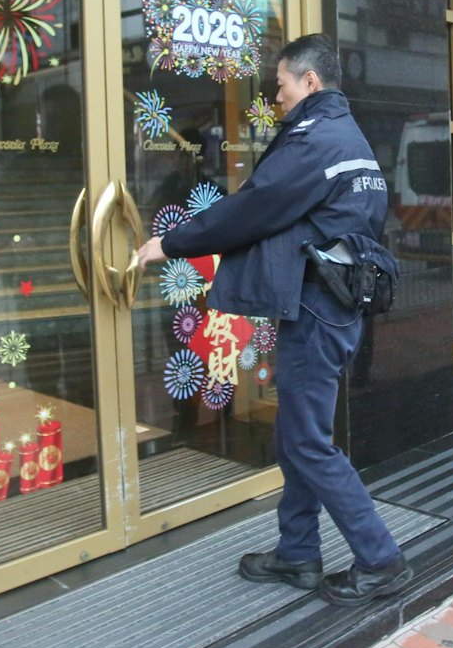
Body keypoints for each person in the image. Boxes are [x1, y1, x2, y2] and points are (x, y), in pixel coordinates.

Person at [134, 35, 410, 607]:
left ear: (310, 81)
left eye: (281, 84)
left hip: (316, 309)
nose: (276, 96)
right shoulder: (351, 137)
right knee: (295, 437)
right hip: (335, 305)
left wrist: (172, 242)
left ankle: (380, 559)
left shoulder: (314, 140)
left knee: (307, 443)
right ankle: (298, 552)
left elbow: (253, 207)